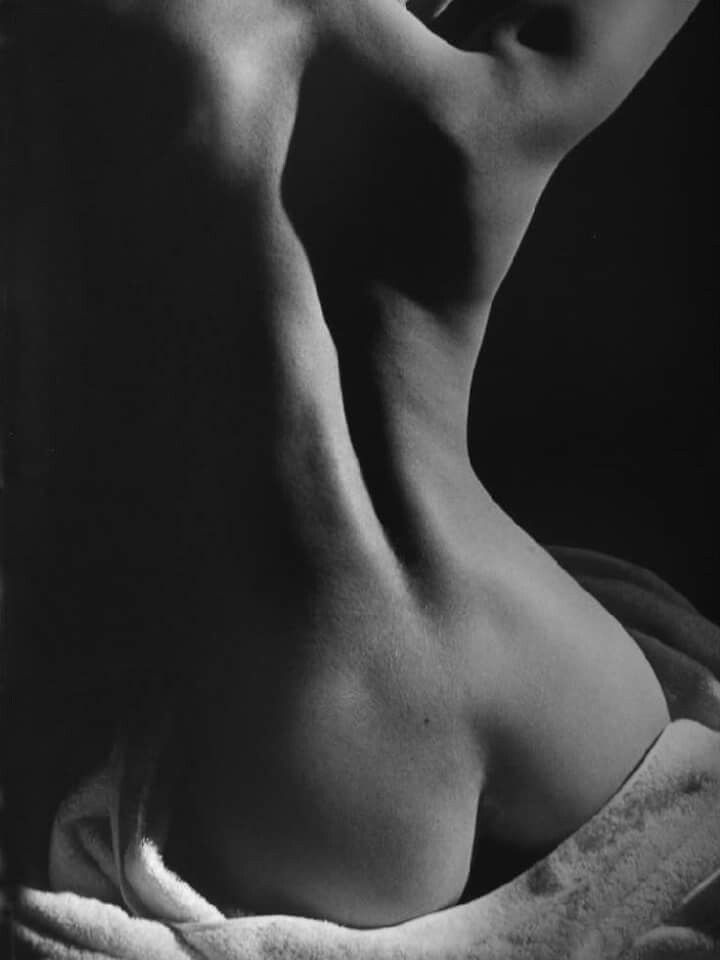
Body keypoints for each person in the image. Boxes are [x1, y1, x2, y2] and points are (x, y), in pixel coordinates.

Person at [14, 0, 703, 932]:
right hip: (562, 670)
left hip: (322, 729)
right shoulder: (476, 78)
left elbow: (62, 460)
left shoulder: (91, 40)